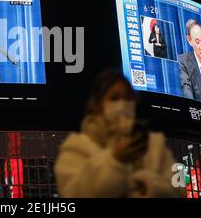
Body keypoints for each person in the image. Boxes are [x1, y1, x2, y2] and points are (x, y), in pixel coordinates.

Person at [54, 70, 181, 198]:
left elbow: (179, 188)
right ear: (97, 105)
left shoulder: (155, 145)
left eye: (128, 98)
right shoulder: (77, 147)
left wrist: (148, 184)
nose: (122, 103)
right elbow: (72, 194)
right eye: (114, 98)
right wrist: (115, 161)